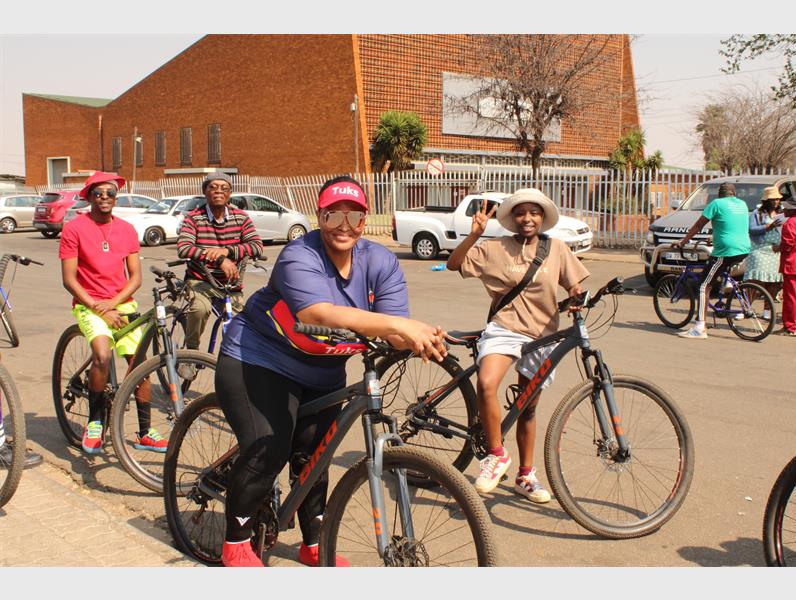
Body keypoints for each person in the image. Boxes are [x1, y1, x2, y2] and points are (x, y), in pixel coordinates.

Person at [215, 175, 447, 567]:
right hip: (258, 358)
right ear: (319, 218)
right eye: (332, 215)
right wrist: (400, 327)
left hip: (322, 372)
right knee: (270, 446)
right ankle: (235, 542)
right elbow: (317, 313)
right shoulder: (298, 255)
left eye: (353, 216)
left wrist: (423, 337)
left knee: (315, 457)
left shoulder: (380, 261)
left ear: (365, 220)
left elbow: (393, 328)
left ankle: (314, 543)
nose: (343, 226)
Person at [446, 188, 589, 501]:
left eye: (534, 213)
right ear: (512, 218)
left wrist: (578, 296)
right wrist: (473, 235)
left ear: (542, 217)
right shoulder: (495, 247)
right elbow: (454, 264)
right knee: (486, 383)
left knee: (527, 408)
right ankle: (496, 455)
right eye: (521, 213)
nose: (527, 219)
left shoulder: (557, 249)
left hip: (542, 335)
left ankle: (526, 476)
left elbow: (574, 284)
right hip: (505, 328)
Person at [59, 172, 164, 454]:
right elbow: (69, 279)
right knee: (103, 355)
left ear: (115, 197)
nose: (104, 197)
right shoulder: (74, 228)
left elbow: (135, 278)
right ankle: (95, 422)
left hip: (121, 305)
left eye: (110, 193)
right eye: (98, 193)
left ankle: (145, 432)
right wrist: (98, 307)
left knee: (140, 366)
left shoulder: (127, 229)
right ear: (89, 196)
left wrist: (113, 304)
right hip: (88, 305)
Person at [176, 171, 263, 356]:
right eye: (213, 187)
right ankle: (191, 352)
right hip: (201, 282)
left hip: (231, 284)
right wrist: (219, 259)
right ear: (205, 191)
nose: (218, 191)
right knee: (200, 309)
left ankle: (233, 360)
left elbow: (256, 245)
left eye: (224, 188)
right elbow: (184, 248)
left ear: (230, 193)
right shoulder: (194, 218)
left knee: (241, 323)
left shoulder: (241, 217)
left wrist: (227, 251)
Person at [673, 182, 751, 339]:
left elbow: (698, 225)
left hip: (725, 251)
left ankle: (699, 327)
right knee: (719, 275)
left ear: (719, 194)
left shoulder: (716, 204)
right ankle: (727, 290)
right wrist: (714, 239)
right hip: (743, 249)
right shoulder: (742, 204)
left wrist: (683, 241)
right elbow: (730, 226)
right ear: (733, 194)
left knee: (704, 285)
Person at [743, 186, 784, 313]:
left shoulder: (782, 213)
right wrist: (768, 227)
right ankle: (746, 308)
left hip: (776, 251)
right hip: (760, 250)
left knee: (774, 282)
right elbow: (751, 229)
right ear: (766, 200)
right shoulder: (758, 213)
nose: (776, 202)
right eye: (773, 199)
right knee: (756, 281)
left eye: (777, 199)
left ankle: (767, 310)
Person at [773, 197, 796, 336]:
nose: (784, 211)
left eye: (786, 208)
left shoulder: (790, 223)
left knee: (791, 297)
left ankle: (791, 327)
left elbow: (788, 244)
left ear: (791, 209)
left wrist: (778, 248)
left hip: (793, 264)